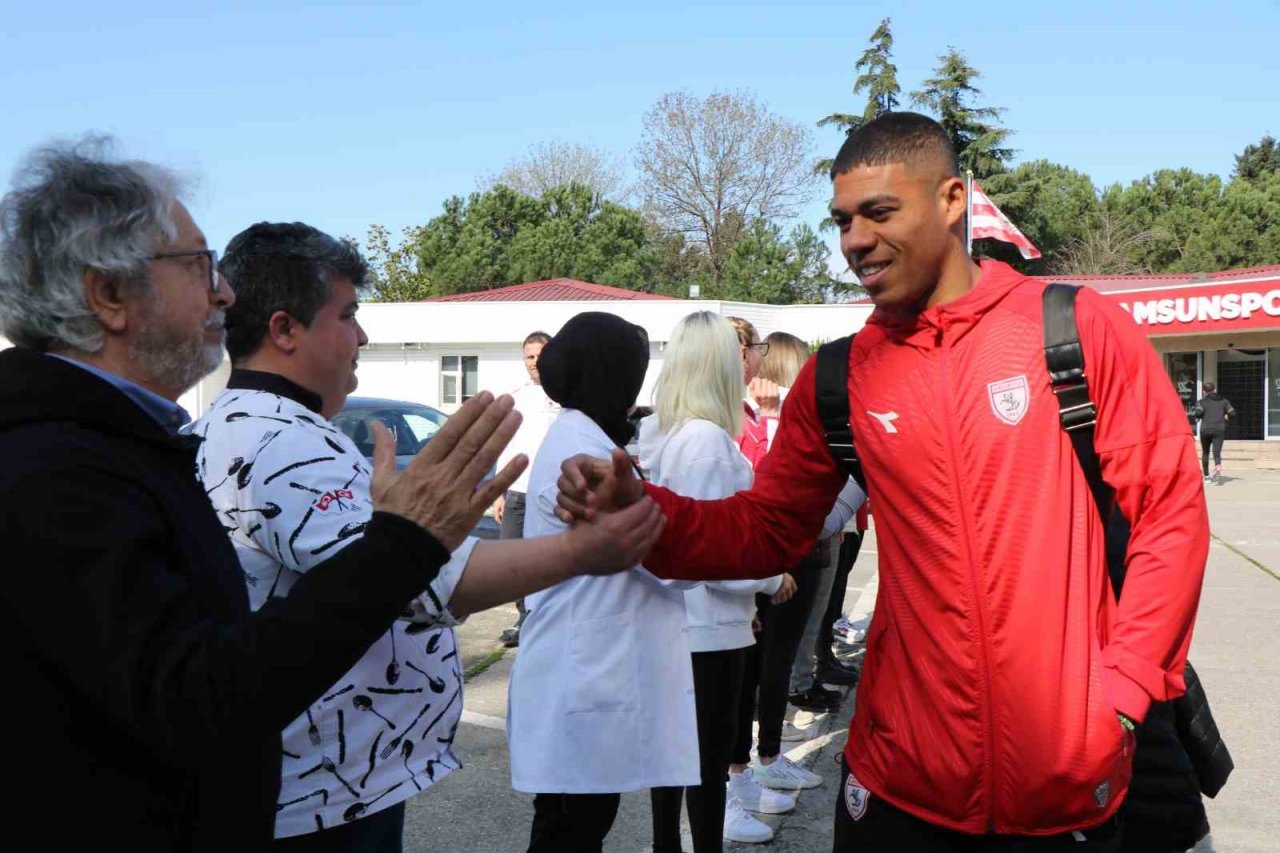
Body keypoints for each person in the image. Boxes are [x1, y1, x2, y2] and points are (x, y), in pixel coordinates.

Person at [554, 112, 1209, 851]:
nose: (854, 239)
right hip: (897, 786)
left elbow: (1169, 517)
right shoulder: (840, 377)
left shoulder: (1074, 331)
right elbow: (767, 527)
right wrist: (649, 513)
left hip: (1061, 789)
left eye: (879, 212)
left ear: (952, 200)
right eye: (842, 221)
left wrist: (1120, 695)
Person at [0, 140, 660, 850]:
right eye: (198, 266)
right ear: (108, 295)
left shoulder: (136, 440)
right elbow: (199, 694)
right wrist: (432, 539)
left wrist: (400, 536)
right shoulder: (71, 464)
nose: (222, 292)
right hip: (327, 797)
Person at [193, 223, 665, 850]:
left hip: (325, 782)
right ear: (284, 329)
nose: (362, 336)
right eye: (348, 315)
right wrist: (584, 552)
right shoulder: (279, 442)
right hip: (320, 797)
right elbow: (424, 582)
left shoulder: (258, 428)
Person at [639, 312, 795, 851]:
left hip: (688, 625)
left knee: (677, 763)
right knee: (703, 766)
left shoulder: (675, 432)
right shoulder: (705, 440)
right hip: (708, 632)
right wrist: (769, 577)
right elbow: (712, 549)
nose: (747, 364)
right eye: (736, 355)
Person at [493, 330, 558, 647]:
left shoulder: (565, 395)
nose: (535, 363)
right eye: (529, 357)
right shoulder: (516, 397)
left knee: (549, 559)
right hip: (518, 492)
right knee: (512, 559)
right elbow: (505, 446)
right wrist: (498, 491)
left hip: (552, 494)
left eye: (540, 356)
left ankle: (548, 617)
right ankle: (524, 618)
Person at [1192, 381, 1235, 481]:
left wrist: (1198, 417)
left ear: (1204, 391)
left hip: (1205, 429)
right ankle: (1218, 464)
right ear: (1215, 390)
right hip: (1219, 429)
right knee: (1217, 451)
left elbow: (1198, 413)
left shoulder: (1201, 402)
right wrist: (1226, 416)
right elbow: (1232, 413)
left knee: (1205, 452)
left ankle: (1206, 477)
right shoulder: (1224, 401)